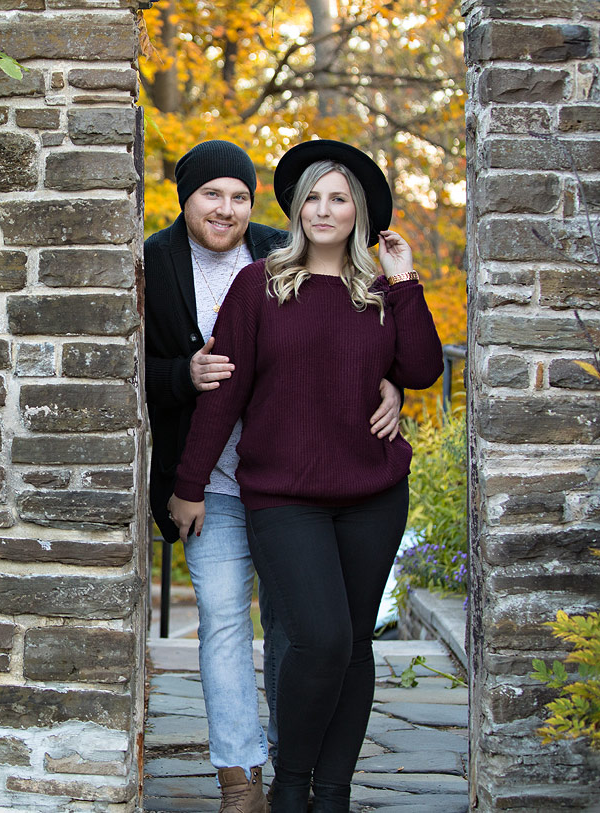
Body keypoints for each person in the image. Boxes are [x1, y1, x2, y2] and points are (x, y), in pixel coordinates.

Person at [166, 139, 443, 813]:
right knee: (319, 636)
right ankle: (290, 782)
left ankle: (334, 794)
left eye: (338, 198)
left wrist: (404, 280)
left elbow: (423, 368)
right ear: (295, 208)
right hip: (283, 495)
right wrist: (189, 482)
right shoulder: (258, 285)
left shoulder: (379, 292)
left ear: (358, 214)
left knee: (353, 647)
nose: (323, 209)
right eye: (312, 197)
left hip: (373, 494)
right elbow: (224, 394)